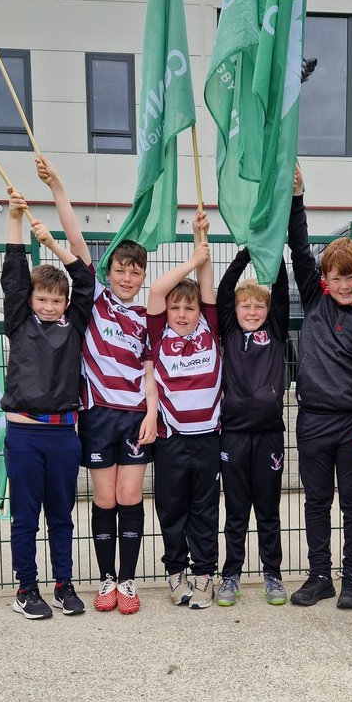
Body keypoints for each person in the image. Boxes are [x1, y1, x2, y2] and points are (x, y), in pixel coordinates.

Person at [36, 158, 157, 616]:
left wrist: (151, 412)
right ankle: (105, 579)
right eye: (121, 270)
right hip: (97, 414)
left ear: (143, 276)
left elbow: (149, 370)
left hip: (135, 415)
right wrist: (59, 187)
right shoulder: (96, 301)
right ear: (109, 272)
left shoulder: (148, 318)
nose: (127, 277)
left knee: (131, 497)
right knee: (104, 499)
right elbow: (74, 238)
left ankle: (127, 582)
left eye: (135, 272)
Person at [1, 189, 94, 619]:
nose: (51, 305)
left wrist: (55, 244)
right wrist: (17, 218)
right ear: (30, 300)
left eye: (57, 300)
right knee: (25, 517)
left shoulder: (74, 323)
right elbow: (15, 275)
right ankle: (26, 588)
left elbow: (86, 280)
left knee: (62, 516)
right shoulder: (19, 322)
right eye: (43, 299)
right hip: (23, 433)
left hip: (63, 434)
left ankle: (63, 583)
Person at [288, 167, 352, 609]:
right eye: (334, 277)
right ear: (324, 279)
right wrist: (297, 197)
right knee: (316, 501)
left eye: (350, 276)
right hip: (313, 422)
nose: (342, 284)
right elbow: (300, 248)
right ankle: (319, 575)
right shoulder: (316, 299)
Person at [215, 203, 290, 607]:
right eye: (246, 306)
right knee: (237, 509)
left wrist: (268, 252)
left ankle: (272, 574)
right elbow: (226, 290)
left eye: (258, 306)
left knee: (268, 509)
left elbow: (276, 292)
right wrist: (245, 251)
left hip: (269, 436)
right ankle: (231, 576)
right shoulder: (227, 330)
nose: (252, 311)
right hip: (234, 433)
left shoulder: (275, 331)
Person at [146, 215, 220, 609]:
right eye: (175, 307)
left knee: (204, 510)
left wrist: (200, 236)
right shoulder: (159, 334)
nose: (181, 314)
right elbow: (157, 289)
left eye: (188, 307)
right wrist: (192, 258)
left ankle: (205, 573)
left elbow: (206, 285)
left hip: (207, 439)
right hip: (171, 441)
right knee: (171, 510)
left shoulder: (210, 328)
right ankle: (175, 572)